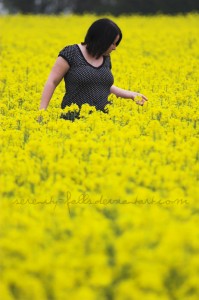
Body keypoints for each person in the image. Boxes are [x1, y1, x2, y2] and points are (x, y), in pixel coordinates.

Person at [39, 18, 147, 120]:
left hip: (103, 122)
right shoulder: (71, 53)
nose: (115, 48)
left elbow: (103, 86)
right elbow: (52, 82)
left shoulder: (106, 58)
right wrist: (42, 113)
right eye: (113, 43)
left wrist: (131, 95)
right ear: (102, 40)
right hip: (73, 120)